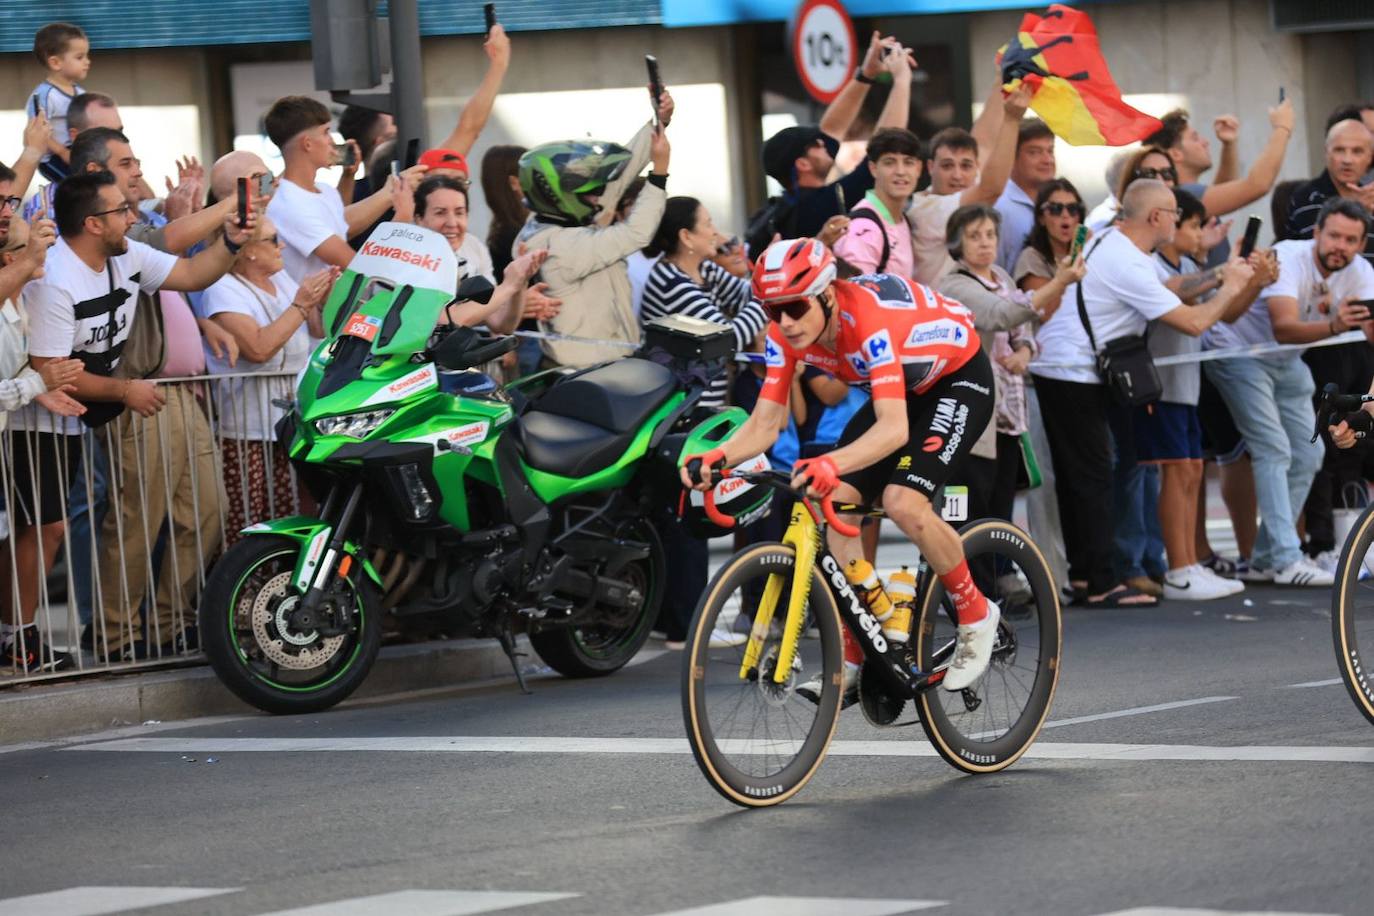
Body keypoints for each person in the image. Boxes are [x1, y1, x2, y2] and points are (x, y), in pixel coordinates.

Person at [681, 238, 1001, 701]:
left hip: (957, 379)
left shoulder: (866, 321)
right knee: (835, 509)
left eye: (794, 306)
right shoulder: (785, 336)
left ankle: (976, 614)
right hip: (904, 391)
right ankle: (861, 649)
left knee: (902, 502)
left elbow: (893, 430)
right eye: (773, 311)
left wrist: (830, 461)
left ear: (827, 295)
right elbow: (767, 423)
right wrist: (718, 457)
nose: (785, 323)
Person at [8, 171, 252, 664]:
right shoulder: (56, 279)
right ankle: (35, 637)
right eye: (121, 210)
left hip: (81, 411)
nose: (133, 216)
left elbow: (193, 274)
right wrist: (125, 391)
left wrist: (230, 241)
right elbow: (53, 374)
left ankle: (154, 627)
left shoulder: (126, 255)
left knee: (51, 527)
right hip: (36, 417)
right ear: (93, 224)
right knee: (43, 528)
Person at [1030, 179, 1256, 607]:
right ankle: (1098, 583)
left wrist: (1219, 273)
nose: (1179, 219)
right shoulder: (1128, 262)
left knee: (1090, 476)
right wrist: (1228, 289)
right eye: (1174, 213)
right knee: (1093, 477)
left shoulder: (1118, 245)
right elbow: (1191, 322)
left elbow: (1170, 290)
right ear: (1156, 218)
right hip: (1070, 369)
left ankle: (1088, 577)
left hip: (1071, 366)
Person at [1207, 198, 1374, 583]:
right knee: (1272, 448)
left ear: (1362, 244)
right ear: (1316, 233)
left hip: (1286, 361)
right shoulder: (1287, 257)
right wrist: (1335, 325)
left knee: (1309, 450)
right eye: (1333, 236)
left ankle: (1266, 557)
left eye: (1350, 240)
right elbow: (1284, 327)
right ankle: (1285, 558)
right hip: (1238, 353)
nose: (1340, 246)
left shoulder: (1361, 271)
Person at [1145, 189, 1271, 599]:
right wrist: (1223, 272)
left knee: (1193, 470)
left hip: (1187, 384)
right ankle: (1178, 566)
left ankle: (1192, 563)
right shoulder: (1154, 264)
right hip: (1161, 382)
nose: (1201, 235)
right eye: (1195, 225)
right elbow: (1175, 290)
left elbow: (1226, 311)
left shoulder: (1188, 262)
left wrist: (1248, 280)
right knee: (1177, 471)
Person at [937, 204, 1082, 525]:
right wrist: (1058, 283)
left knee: (1000, 512)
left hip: (1008, 415)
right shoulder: (954, 285)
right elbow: (1003, 314)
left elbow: (1023, 330)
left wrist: (1025, 352)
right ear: (956, 244)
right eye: (974, 236)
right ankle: (963, 576)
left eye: (990, 234)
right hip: (970, 422)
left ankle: (998, 574)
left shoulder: (1001, 276)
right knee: (964, 512)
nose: (985, 242)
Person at [516, 89, 674, 368]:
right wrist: (659, 174)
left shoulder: (547, 223)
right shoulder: (562, 246)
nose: (597, 197)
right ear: (558, 194)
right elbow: (635, 233)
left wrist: (656, 124)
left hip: (599, 367)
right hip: (590, 374)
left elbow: (614, 184)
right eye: (586, 190)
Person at [201, 216, 330, 547]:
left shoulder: (282, 278)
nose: (282, 245)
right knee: (246, 521)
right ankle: (239, 594)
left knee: (285, 517)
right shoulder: (221, 288)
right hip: (245, 431)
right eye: (274, 240)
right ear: (249, 252)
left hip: (288, 425)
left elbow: (316, 331)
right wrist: (301, 306)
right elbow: (258, 348)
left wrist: (324, 299)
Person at [0, 214, 85, 671]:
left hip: (12, 434)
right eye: (34, 246)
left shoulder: (21, 308)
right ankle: (17, 635)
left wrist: (41, 385)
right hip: (15, 435)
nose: (45, 253)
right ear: (11, 259)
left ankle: (17, 635)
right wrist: (38, 383)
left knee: (40, 528)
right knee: (36, 529)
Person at [758, 34, 913, 242]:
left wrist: (867, 74)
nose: (824, 142)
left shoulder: (787, 207)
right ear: (803, 164)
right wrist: (902, 80)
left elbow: (833, 128)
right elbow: (886, 145)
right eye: (816, 144)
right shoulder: (820, 206)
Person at [263, 96, 425, 281]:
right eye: (326, 132)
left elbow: (340, 226)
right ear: (307, 143)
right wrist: (401, 218)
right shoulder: (289, 205)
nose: (331, 141)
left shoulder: (322, 189)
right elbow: (355, 266)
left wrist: (352, 178)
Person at [640, 197, 767, 407]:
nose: (715, 232)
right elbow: (728, 339)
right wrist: (768, 290)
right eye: (708, 224)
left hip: (705, 402)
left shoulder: (704, 269)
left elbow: (744, 295)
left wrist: (765, 279)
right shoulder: (670, 283)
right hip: (682, 408)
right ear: (686, 236)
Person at [907, 84, 1031, 285]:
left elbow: (984, 139)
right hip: (941, 314)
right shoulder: (927, 210)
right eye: (947, 166)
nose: (958, 175)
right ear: (930, 168)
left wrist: (1002, 78)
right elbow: (991, 190)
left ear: (977, 168)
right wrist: (1013, 119)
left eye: (966, 166)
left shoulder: (966, 188)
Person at [1143, 101, 1296, 261]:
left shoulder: (1186, 195)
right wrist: (1282, 128)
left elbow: (1223, 191)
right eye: (1195, 138)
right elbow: (1258, 184)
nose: (1205, 142)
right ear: (1176, 154)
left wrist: (1229, 145)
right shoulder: (1182, 194)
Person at [833, 129, 923, 277]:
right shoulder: (864, 226)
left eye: (908, 162)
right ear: (873, 169)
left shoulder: (903, 219)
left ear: (918, 168)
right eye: (889, 162)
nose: (900, 171)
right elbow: (857, 292)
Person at [1284, 119, 1374, 264]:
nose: (1347, 160)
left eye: (1357, 151)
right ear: (1326, 153)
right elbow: (1326, 260)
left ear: (1369, 157)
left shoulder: (1370, 197)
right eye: (1339, 150)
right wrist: (1358, 211)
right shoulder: (1307, 197)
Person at [29, 22, 89, 183]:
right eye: (79, 57)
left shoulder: (81, 93)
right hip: (53, 158)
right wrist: (63, 152)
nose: (87, 62)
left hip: (76, 153)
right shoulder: (44, 95)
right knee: (79, 187)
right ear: (55, 62)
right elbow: (36, 132)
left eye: (87, 56)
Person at [994, 119, 1057, 272]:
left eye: (1050, 151)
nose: (1047, 160)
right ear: (1011, 158)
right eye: (1034, 152)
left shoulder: (1061, 201)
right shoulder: (999, 207)